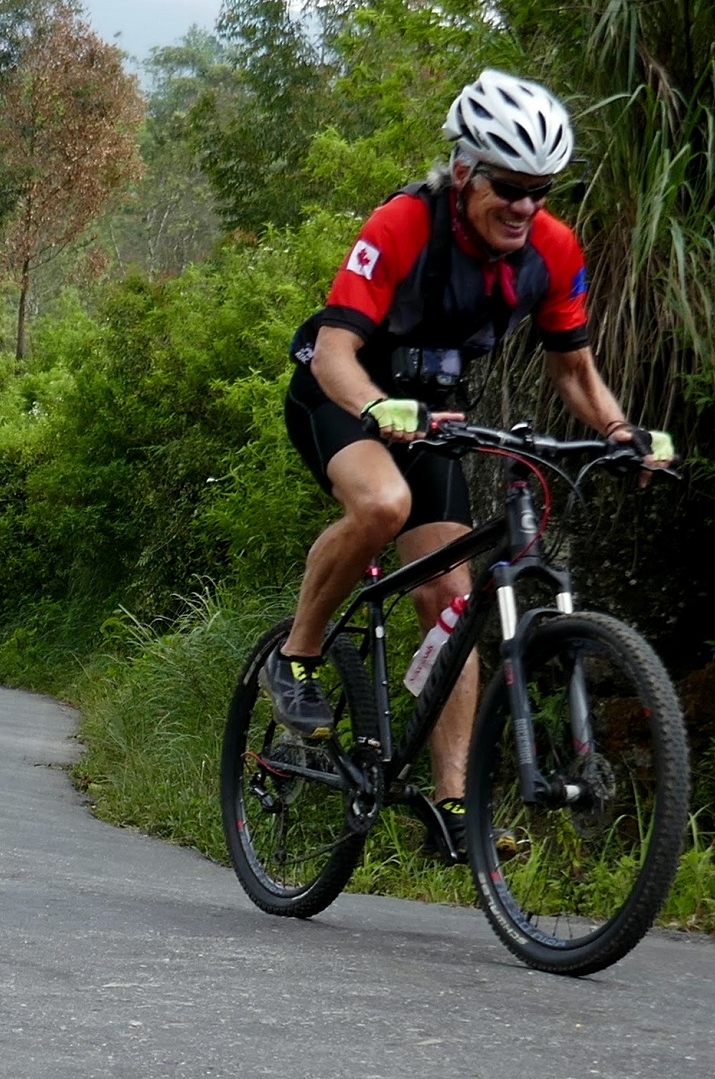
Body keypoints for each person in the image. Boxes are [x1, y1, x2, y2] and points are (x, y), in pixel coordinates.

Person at [273, 68, 673, 861]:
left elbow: (574, 371)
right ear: (464, 170)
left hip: (438, 417)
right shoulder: (400, 225)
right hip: (341, 392)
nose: (525, 205)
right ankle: (299, 656)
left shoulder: (553, 251)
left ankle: (453, 810)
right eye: (508, 185)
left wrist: (622, 430)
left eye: (540, 189)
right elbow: (336, 351)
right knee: (383, 504)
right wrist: (377, 406)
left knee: (453, 599)